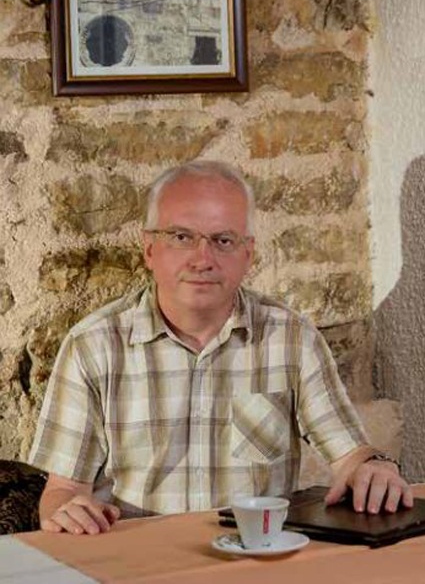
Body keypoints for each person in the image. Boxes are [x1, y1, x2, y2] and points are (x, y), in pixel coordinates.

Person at [29, 160, 413, 535]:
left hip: (258, 558)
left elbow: (351, 456)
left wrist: (375, 467)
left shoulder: (292, 339)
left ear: (248, 254)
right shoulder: (92, 346)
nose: (203, 259)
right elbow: (63, 490)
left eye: (223, 241)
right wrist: (67, 511)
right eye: (181, 237)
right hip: (138, 559)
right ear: (149, 249)